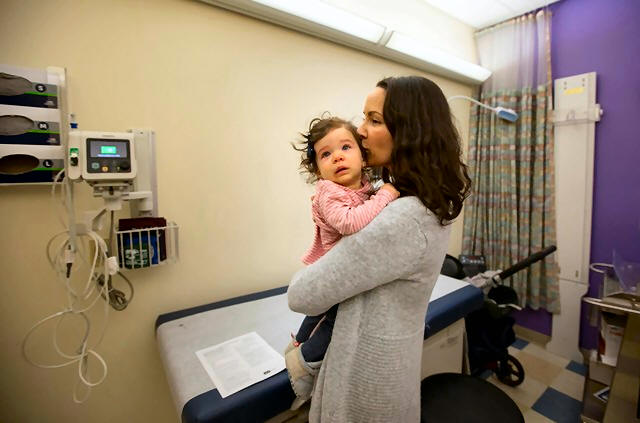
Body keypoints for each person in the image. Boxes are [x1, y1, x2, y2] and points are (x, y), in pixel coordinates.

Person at [287, 76, 471, 422]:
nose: (360, 131)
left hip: (364, 385)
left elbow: (301, 295)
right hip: (387, 372)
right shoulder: (424, 201)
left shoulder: (403, 217)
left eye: (374, 120)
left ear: (409, 132)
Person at [285, 116, 400, 409]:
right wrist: (385, 197)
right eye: (326, 154)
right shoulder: (330, 192)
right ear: (318, 170)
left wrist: (379, 193)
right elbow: (350, 223)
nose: (337, 156)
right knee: (334, 317)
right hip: (335, 271)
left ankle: (297, 343)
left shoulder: (364, 186)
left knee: (319, 312)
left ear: (363, 157)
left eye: (346, 147)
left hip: (344, 267)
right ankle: (305, 362)